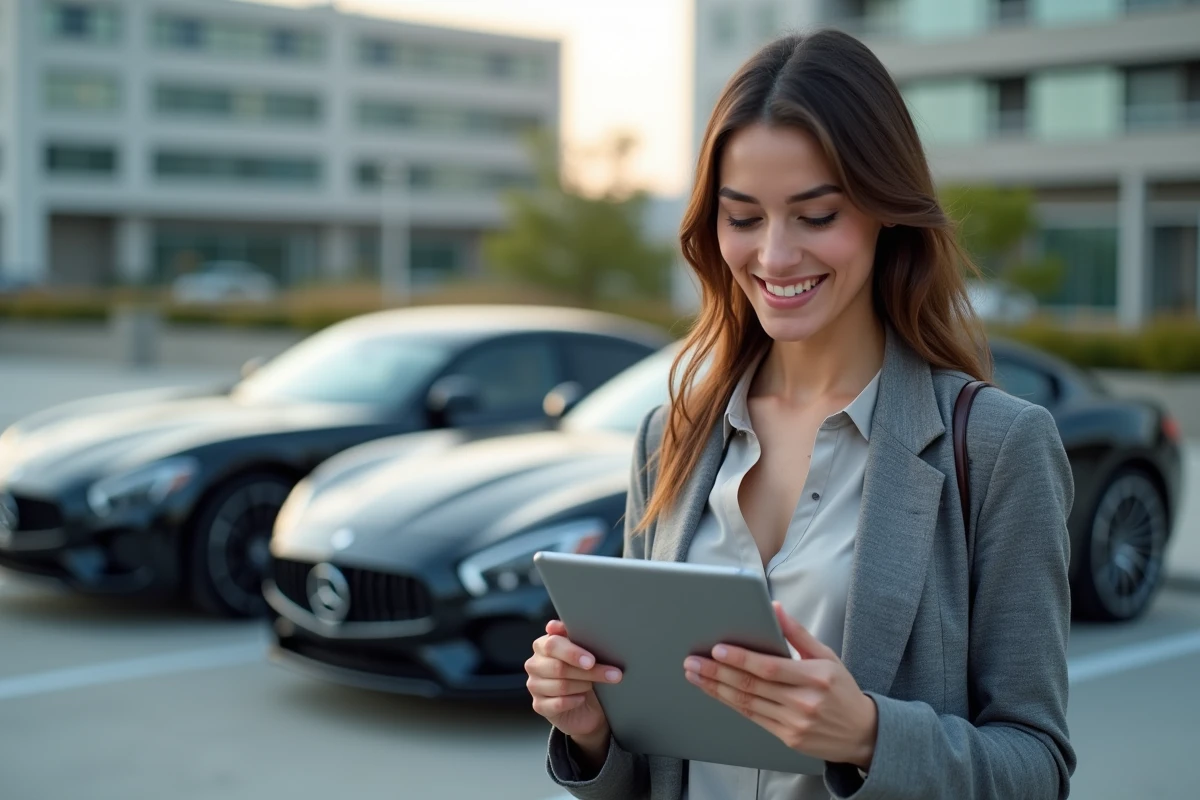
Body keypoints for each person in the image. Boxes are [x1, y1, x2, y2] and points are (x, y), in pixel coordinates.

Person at [524, 28, 1075, 800]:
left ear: (888, 212)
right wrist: (591, 729)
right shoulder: (669, 437)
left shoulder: (997, 446)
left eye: (816, 215)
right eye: (743, 218)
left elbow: (1037, 770)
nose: (775, 257)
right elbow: (652, 768)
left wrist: (869, 737)